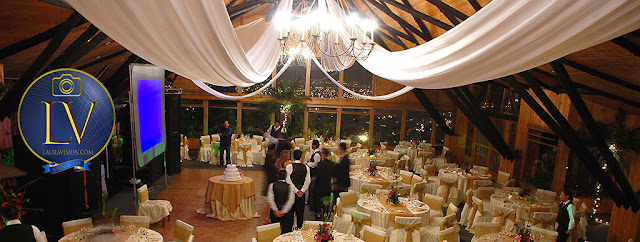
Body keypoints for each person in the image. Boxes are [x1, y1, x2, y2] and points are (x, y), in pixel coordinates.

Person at [285, 150, 311, 229]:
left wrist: (296, 191)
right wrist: (302, 191)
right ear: (301, 157)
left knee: (290, 213)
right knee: (300, 214)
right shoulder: (306, 167)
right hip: (301, 195)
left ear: (293, 156)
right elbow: (308, 180)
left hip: (292, 194)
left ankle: (290, 231)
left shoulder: (289, 167)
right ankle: (299, 230)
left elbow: (288, 181)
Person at [310, 148, 335, 220]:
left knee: (318, 204)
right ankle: (325, 216)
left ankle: (318, 217)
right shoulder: (331, 164)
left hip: (319, 187)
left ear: (323, 154)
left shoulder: (320, 164)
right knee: (326, 203)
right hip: (327, 186)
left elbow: (316, 175)